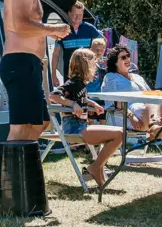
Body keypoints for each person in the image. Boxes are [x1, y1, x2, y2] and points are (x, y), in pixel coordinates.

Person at [0, 0, 70, 142]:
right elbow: (19, 26)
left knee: (40, 122)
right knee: (20, 126)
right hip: (19, 62)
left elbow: (29, 27)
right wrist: (53, 29)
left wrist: (49, 33)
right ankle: (9, 171)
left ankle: (22, 167)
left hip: (28, 64)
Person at [100, 45, 162, 171]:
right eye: (123, 57)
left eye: (128, 55)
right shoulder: (111, 77)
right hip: (125, 116)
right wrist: (131, 116)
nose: (127, 59)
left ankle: (155, 125)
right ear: (115, 62)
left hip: (146, 113)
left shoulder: (137, 78)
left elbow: (150, 96)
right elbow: (113, 103)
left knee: (159, 101)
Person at [48, 49, 123, 186]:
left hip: (82, 127)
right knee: (119, 134)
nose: (96, 67)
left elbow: (80, 97)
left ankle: (97, 169)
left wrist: (92, 104)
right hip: (74, 130)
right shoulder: (73, 82)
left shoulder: (80, 83)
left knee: (119, 133)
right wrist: (72, 104)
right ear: (85, 64)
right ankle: (95, 167)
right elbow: (53, 96)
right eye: (94, 63)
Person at [50, 1, 102, 85]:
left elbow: (103, 41)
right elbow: (55, 54)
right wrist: (53, 75)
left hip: (88, 75)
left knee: (88, 97)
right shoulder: (63, 30)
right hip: (70, 76)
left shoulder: (89, 28)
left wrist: (98, 56)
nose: (78, 17)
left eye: (80, 15)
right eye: (75, 14)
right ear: (69, 13)